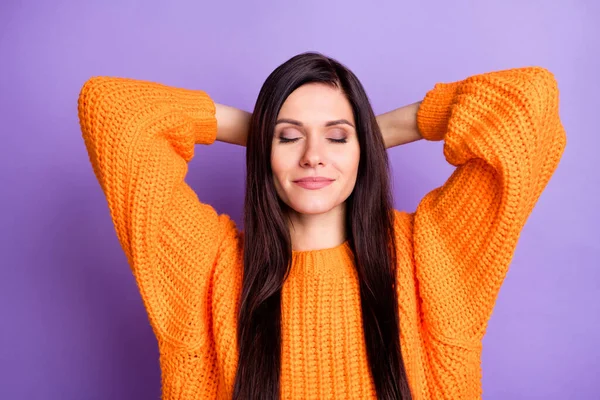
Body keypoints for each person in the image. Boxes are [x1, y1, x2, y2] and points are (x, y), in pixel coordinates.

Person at [77, 52, 566, 400]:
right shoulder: (208, 269)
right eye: (289, 138)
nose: (313, 157)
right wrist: (263, 127)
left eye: (337, 137)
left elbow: (530, 103)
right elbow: (114, 110)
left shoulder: (431, 256)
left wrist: (376, 132)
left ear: (363, 152)